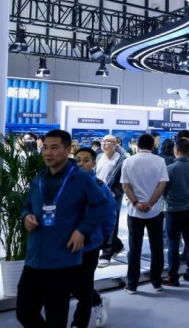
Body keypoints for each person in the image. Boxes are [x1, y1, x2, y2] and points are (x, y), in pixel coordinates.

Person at [17, 129, 108, 327]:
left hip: (62, 260)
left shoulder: (81, 178)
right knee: (24, 312)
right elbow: (28, 206)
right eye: (45, 148)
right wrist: (26, 217)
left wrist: (82, 230)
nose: (48, 153)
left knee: (56, 318)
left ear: (67, 150)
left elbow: (101, 205)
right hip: (34, 258)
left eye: (54, 148)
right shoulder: (39, 178)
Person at [121, 133, 169, 294]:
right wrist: (151, 203)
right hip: (155, 211)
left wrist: (136, 203)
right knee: (157, 247)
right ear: (153, 146)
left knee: (134, 249)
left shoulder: (128, 161)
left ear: (137, 145)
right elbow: (162, 185)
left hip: (134, 212)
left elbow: (125, 186)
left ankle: (132, 285)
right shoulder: (159, 161)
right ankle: (156, 282)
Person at [73, 148, 116, 328]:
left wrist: (100, 237)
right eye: (78, 160)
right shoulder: (66, 184)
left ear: (93, 163)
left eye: (86, 160)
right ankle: (98, 300)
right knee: (72, 284)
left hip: (90, 245)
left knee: (84, 287)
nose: (81, 164)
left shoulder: (99, 187)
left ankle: (78, 323)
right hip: (68, 244)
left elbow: (110, 215)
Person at [163, 138, 189, 286]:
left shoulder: (171, 169)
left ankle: (173, 276)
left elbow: (164, 190)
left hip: (173, 210)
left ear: (176, 150)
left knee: (173, 243)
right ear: (188, 151)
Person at [96, 136, 127, 268]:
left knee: (111, 226)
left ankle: (106, 254)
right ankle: (118, 246)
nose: (104, 144)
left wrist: (115, 192)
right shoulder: (99, 157)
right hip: (98, 196)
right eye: (103, 141)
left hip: (113, 197)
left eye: (108, 141)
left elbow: (124, 179)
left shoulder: (122, 160)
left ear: (115, 144)